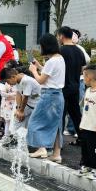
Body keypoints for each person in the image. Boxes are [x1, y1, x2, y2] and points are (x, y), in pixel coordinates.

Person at [27, 33, 65, 162]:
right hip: (58, 95)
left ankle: (41, 149)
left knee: (35, 122)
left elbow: (41, 80)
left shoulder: (51, 61)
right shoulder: (60, 58)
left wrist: (33, 70)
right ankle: (56, 154)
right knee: (56, 124)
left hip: (48, 96)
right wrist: (38, 66)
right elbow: (51, 74)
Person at [57, 26, 86, 144]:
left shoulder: (60, 51)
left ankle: (58, 143)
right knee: (76, 114)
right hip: (75, 86)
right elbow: (83, 69)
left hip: (62, 88)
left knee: (61, 115)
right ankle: (83, 139)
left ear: (61, 36)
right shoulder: (79, 50)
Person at [65, 29, 91, 136]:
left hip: (78, 79)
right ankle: (71, 128)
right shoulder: (65, 48)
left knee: (77, 105)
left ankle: (78, 129)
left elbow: (87, 61)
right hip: (70, 80)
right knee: (70, 106)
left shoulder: (79, 48)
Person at [0, 65, 41, 133]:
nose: (8, 84)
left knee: (33, 127)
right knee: (17, 119)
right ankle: (14, 137)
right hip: (28, 105)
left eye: (7, 81)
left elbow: (25, 97)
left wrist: (21, 111)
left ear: (13, 77)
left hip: (37, 107)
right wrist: (18, 109)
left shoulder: (26, 81)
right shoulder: (17, 80)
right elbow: (18, 94)